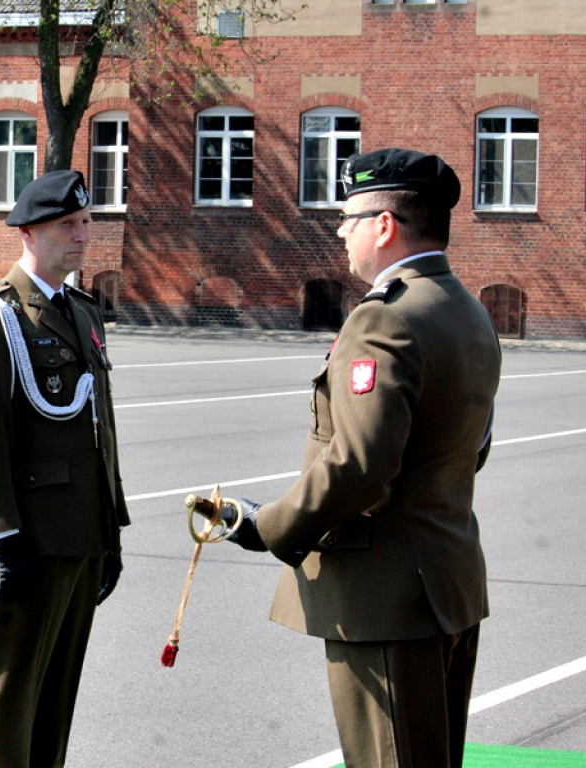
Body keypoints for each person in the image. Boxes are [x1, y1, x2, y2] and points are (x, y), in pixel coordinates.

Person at [201, 148, 502, 768]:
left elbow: (361, 465)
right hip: (447, 579)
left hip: (386, 598)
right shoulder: (468, 311)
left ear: (385, 225)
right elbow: (472, 448)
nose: (342, 233)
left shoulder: (384, 321)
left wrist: (272, 527)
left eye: (350, 219)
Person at [0, 169, 129, 768]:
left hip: (80, 531)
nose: (82, 235)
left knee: (57, 696)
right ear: (28, 232)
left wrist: (111, 530)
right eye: (66, 225)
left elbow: (99, 428)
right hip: (29, 534)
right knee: (12, 695)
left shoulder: (82, 310)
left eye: (85, 222)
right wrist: (2, 537)